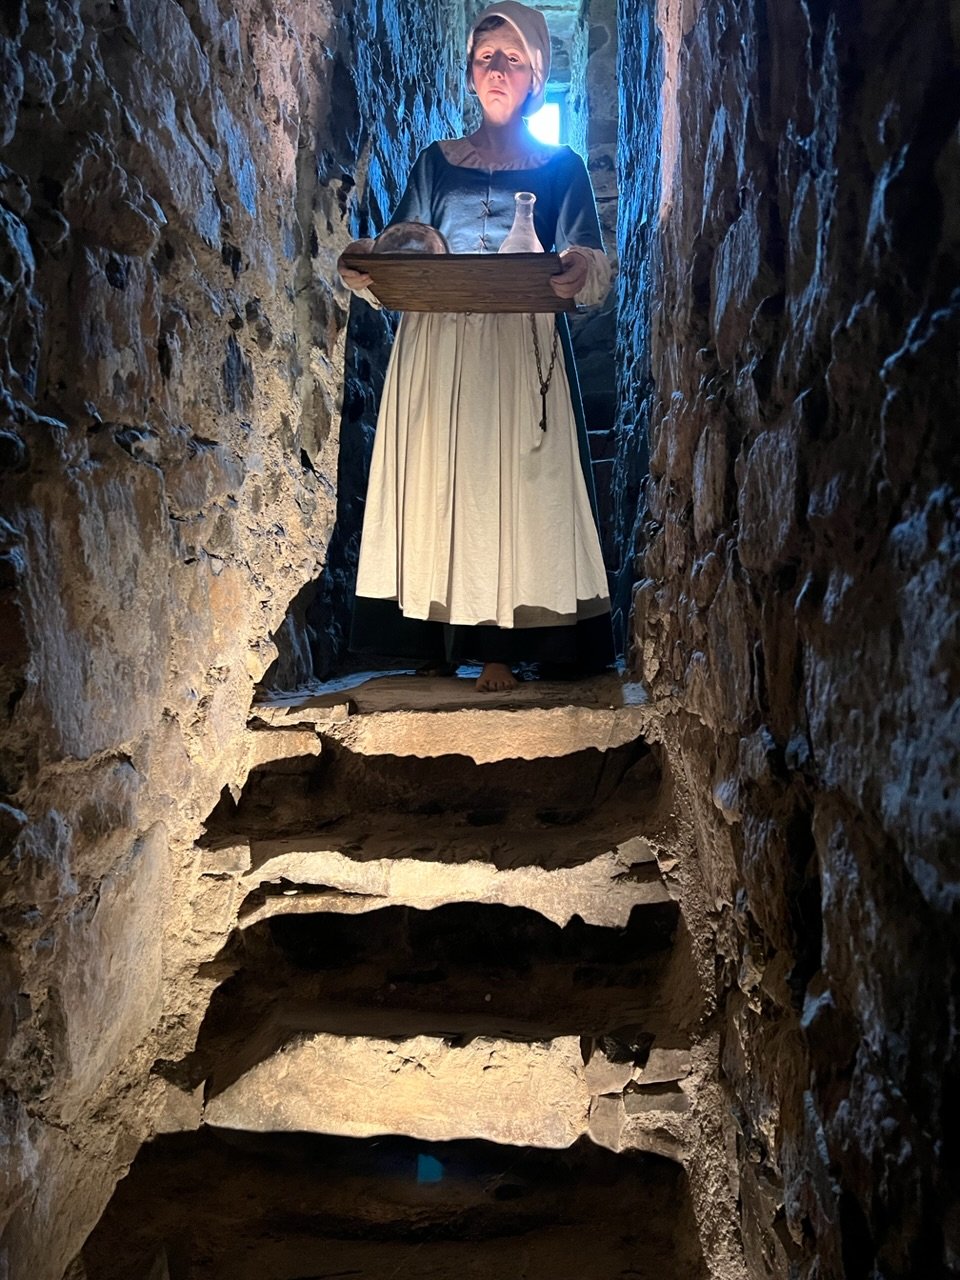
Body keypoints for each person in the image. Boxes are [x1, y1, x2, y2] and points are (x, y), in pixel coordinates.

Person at [338, 0, 614, 693]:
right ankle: (436, 634)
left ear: (535, 76)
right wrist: (369, 265)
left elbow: (591, 257)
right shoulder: (436, 163)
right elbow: (406, 246)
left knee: (513, 487)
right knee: (443, 482)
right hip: (442, 339)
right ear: (468, 73)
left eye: (513, 58)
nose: (498, 68)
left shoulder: (561, 168)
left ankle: (505, 642)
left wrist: (579, 265)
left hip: (520, 343)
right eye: (487, 56)